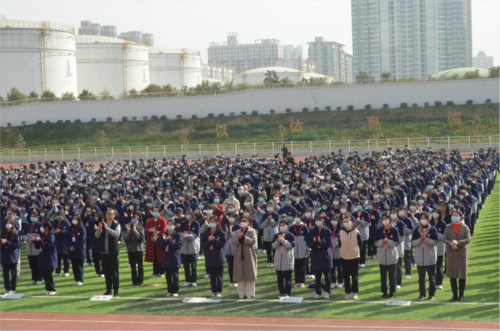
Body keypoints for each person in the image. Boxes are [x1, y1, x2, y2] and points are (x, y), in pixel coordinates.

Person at [443, 210, 470, 301]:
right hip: (451, 253)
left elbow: (468, 239)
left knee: (462, 275)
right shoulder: (448, 227)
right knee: (452, 275)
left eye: (456, 215)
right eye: (453, 215)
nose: (454, 217)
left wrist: (457, 242)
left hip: (461, 252)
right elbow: (444, 238)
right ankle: (454, 295)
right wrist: (451, 243)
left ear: (460, 217)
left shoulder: (465, 227)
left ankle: (461, 294)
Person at [411, 212, 438, 300]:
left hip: (430, 258)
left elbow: (435, 242)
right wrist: (420, 239)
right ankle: (422, 294)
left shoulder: (433, 230)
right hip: (419, 258)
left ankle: (432, 294)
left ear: (428, 219)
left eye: (424, 218)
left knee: (431, 277)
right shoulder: (416, 230)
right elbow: (413, 242)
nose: (423, 220)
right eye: (421, 218)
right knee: (421, 278)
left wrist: (425, 239)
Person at [306, 215, 333, 299]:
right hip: (316, 255)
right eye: (316, 220)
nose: (317, 222)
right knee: (317, 276)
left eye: (319, 220)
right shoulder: (312, 231)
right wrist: (315, 243)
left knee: (327, 275)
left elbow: (328, 245)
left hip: (325, 256)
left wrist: (319, 241)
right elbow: (309, 242)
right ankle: (318, 291)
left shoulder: (328, 231)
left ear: (323, 220)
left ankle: (327, 291)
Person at [95, 209, 120, 296]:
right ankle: (108, 290)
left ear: (114, 215)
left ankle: (116, 291)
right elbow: (97, 235)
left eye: (110, 214)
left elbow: (117, 234)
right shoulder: (102, 223)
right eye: (107, 213)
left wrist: (107, 229)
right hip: (103, 252)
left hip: (113, 252)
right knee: (106, 272)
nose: (108, 215)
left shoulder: (116, 224)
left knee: (115, 272)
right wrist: (100, 229)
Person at [232, 216, 258, 299]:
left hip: (249, 254)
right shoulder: (237, 231)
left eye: (244, 221)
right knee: (240, 273)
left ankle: (249, 293)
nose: (242, 222)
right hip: (239, 255)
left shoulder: (252, 231)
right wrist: (239, 239)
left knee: (249, 273)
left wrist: (244, 238)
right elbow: (233, 242)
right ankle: (241, 293)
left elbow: (253, 241)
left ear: (248, 222)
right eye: (241, 221)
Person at [375, 213, 399, 299]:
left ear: (389, 219)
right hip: (382, 257)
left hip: (391, 257)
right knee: (383, 277)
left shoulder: (394, 230)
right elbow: (376, 243)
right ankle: (384, 292)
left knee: (392, 276)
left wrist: (387, 241)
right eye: (383, 219)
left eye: (386, 218)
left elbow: (396, 243)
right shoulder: (379, 230)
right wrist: (382, 242)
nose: (384, 220)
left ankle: (391, 292)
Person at [201, 215, 227, 297]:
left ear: (216, 222)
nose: (211, 224)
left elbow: (221, 244)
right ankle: (213, 290)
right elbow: (203, 245)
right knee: (212, 276)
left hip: (219, 257)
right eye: (210, 222)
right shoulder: (206, 233)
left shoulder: (221, 232)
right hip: (210, 257)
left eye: (213, 222)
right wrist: (209, 241)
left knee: (219, 276)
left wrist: (214, 240)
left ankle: (219, 291)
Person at [157, 219, 183, 297]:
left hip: (174, 258)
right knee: (168, 275)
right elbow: (160, 246)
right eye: (168, 225)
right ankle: (169, 290)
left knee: (175, 275)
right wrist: (164, 241)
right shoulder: (163, 234)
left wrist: (170, 240)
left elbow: (177, 246)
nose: (169, 226)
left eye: (171, 225)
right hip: (166, 258)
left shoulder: (177, 235)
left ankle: (175, 290)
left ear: (174, 226)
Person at [338, 216, 362, 300]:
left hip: (354, 257)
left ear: (351, 222)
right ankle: (347, 292)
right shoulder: (341, 232)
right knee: (346, 276)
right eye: (344, 221)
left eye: (347, 221)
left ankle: (355, 292)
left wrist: (355, 251)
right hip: (344, 257)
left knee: (354, 276)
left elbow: (360, 244)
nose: (346, 223)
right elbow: (340, 244)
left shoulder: (356, 232)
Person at [272, 218, 295, 298]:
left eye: (283, 225)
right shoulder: (276, 235)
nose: (282, 227)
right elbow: (274, 246)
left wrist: (283, 240)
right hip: (278, 261)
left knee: (288, 279)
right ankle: (281, 292)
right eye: (280, 225)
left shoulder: (290, 235)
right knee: (280, 279)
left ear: (287, 226)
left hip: (287, 261)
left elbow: (290, 246)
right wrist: (278, 241)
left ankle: (287, 293)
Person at [33, 221, 57, 295]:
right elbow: (38, 246)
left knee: (48, 274)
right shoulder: (42, 235)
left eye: (43, 226)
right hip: (42, 256)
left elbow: (48, 246)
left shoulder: (51, 236)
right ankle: (47, 288)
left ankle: (52, 289)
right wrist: (35, 241)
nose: (41, 228)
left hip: (49, 257)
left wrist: (40, 241)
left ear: (47, 227)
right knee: (44, 274)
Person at [179, 209, 200, 287]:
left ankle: (193, 280)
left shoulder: (196, 223)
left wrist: (189, 236)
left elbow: (196, 235)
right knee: (186, 265)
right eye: (186, 213)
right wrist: (183, 236)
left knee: (193, 265)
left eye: (188, 213)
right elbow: (180, 233)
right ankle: (187, 280)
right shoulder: (183, 223)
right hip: (184, 247)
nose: (187, 215)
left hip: (193, 247)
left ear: (191, 214)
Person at [145, 207, 167, 278]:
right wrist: (150, 230)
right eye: (154, 211)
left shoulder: (162, 220)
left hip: (160, 240)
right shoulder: (150, 221)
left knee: (161, 255)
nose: (154, 212)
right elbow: (146, 229)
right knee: (154, 256)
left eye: (156, 211)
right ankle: (155, 272)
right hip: (152, 241)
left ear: (159, 212)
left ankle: (162, 271)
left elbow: (164, 230)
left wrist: (157, 236)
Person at [1, 218, 20, 294]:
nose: (8, 225)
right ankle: (7, 288)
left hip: (12, 256)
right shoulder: (2, 233)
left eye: (10, 223)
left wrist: (6, 243)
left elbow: (16, 245)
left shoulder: (15, 233)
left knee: (13, 273)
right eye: (7, 223)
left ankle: (13, 288)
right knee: (5, 273)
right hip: (4, 256)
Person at [124, 215, 145, 286]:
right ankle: (134, 281)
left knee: (140, 266)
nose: (134, 221)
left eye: (135, 219)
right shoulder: (129, 228)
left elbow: (141, 238)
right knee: (133, 266)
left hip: (139, 249)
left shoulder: (141, 228)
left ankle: (140, 280)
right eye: (133, 219)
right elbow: (126, 238)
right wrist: (129, 231)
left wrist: (135, 230)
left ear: (138, 221)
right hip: (130, 249)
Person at [65, 215, 86, 286]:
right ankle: (76, 279)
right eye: (73, 219)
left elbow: (82, 240)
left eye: (76, 219)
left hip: (79, 250)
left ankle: (80, 279)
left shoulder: (82, 228)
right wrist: (69, 246)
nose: (74, 220)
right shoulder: (70, 228)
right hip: (71, 250)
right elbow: (66, 239)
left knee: (79, 265)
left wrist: (74, 246)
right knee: (74, 266)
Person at [23, 212, 43, 285]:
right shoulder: (28, 225)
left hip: (37, 249)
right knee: (32, 265)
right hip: (29, 249)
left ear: (37, 217)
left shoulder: (40, 225)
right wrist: (27, 239)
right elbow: (24, 234)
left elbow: (42, 235)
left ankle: (39, 278)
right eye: (32, 216)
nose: (33, 218)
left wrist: (35, 239)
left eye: (34, 216)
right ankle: (33, 278)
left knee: (38, 264)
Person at [289, 214, 308, 288]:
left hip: (302, 250)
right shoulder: (291, 228)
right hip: (294, 251)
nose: (296, 218)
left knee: (303, 267)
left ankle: (302, 281)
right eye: (295, 217)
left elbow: (308, 239)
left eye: (298, 217)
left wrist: (308, 249)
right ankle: (297, 282)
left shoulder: (304, 228)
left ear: (301, 218)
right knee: (296, 267)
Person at [430, 209, 446, 290]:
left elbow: (445, 236)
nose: (435, 214)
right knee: (432, 266)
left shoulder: (442, 223)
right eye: (434, 212)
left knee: (439, 266)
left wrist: (435, 235)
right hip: (431, 247)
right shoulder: (431, 222)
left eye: (437, 213)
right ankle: (433, 282)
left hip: (439, 247)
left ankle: (439, 282)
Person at [53, 211, 71, 277]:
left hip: (64, 242)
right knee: (57, 258)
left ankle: (66, 271)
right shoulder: (54, 222)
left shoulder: (66, 222)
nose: (58, 217)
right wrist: (54, 232)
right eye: (57, 216)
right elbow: (51, 229)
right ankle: (57, 271)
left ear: (63, 216)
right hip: (56, 242)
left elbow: (69, 231)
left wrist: (60, 232)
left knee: (66, 258)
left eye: (60, 216)